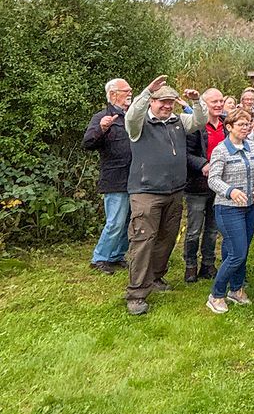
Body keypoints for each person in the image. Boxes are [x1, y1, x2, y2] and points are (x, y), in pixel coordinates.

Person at [124, 76, 207, 315]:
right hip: (146, 192)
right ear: (152, 102)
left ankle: (156, 277)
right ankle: (137, 293)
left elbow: (200, 121)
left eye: (170, 102)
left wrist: (197, 101)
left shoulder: (178, 121)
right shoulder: (139, 124)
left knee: (167, 238)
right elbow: (131, 116)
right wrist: (147, 90)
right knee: (143, 241)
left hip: (174, 191)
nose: (167, 106)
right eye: (162, 101)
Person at [205, 108, 254, 313]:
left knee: (240, 249)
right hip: (228, 208)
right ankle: (216, 294)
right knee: (237, 253)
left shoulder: (253, 146)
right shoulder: (221, 150)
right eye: (241, 124)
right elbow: (213, 179)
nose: (245, 128)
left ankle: (236, 289)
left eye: (248, 124)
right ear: (229, 127)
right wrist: (230, 191)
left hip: (250, 207)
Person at [82, 78, 134, 274]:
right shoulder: (102, 116)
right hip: (114, 178)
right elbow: (87, 143)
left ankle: (117, 256)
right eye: (126, 90)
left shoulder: (131, 116)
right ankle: (100, 258)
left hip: (134, 177)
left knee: (128, 221)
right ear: (113, 94)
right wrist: (102, 129)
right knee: (115, 222)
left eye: (130, 90)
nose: (130, 93)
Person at [184, 88, 227, 283]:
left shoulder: (226, 125)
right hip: (197, 185)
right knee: (194, 229)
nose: (218, 105)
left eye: (221, 101)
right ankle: (190, 265)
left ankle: (208, 264)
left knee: (212, 229)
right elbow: (186, 153)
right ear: (204, 104)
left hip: (219, 186)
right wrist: (202, 164)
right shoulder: (196, 126)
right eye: (214, 102)